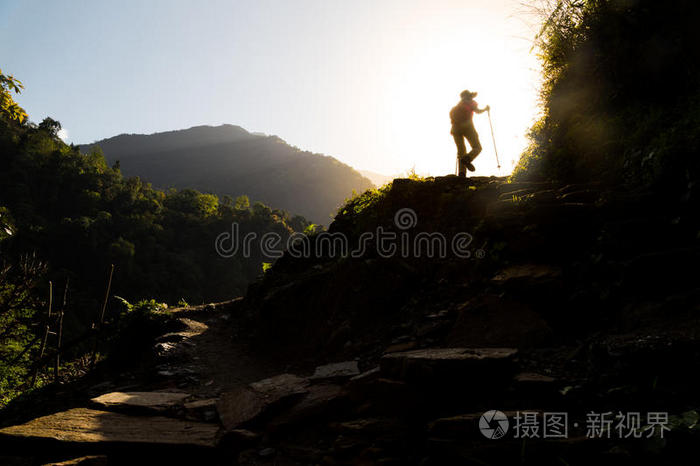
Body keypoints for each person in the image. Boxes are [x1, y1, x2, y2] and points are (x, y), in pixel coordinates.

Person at [450, 90, 489, 177]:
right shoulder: (471, 103)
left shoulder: (458, 105)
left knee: (461, 151)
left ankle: (462, 173)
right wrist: (485, 109)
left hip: (455, 129)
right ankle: (468, 158)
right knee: (477, 147)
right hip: (468, 127)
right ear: (470, 96)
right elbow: (478, 111)